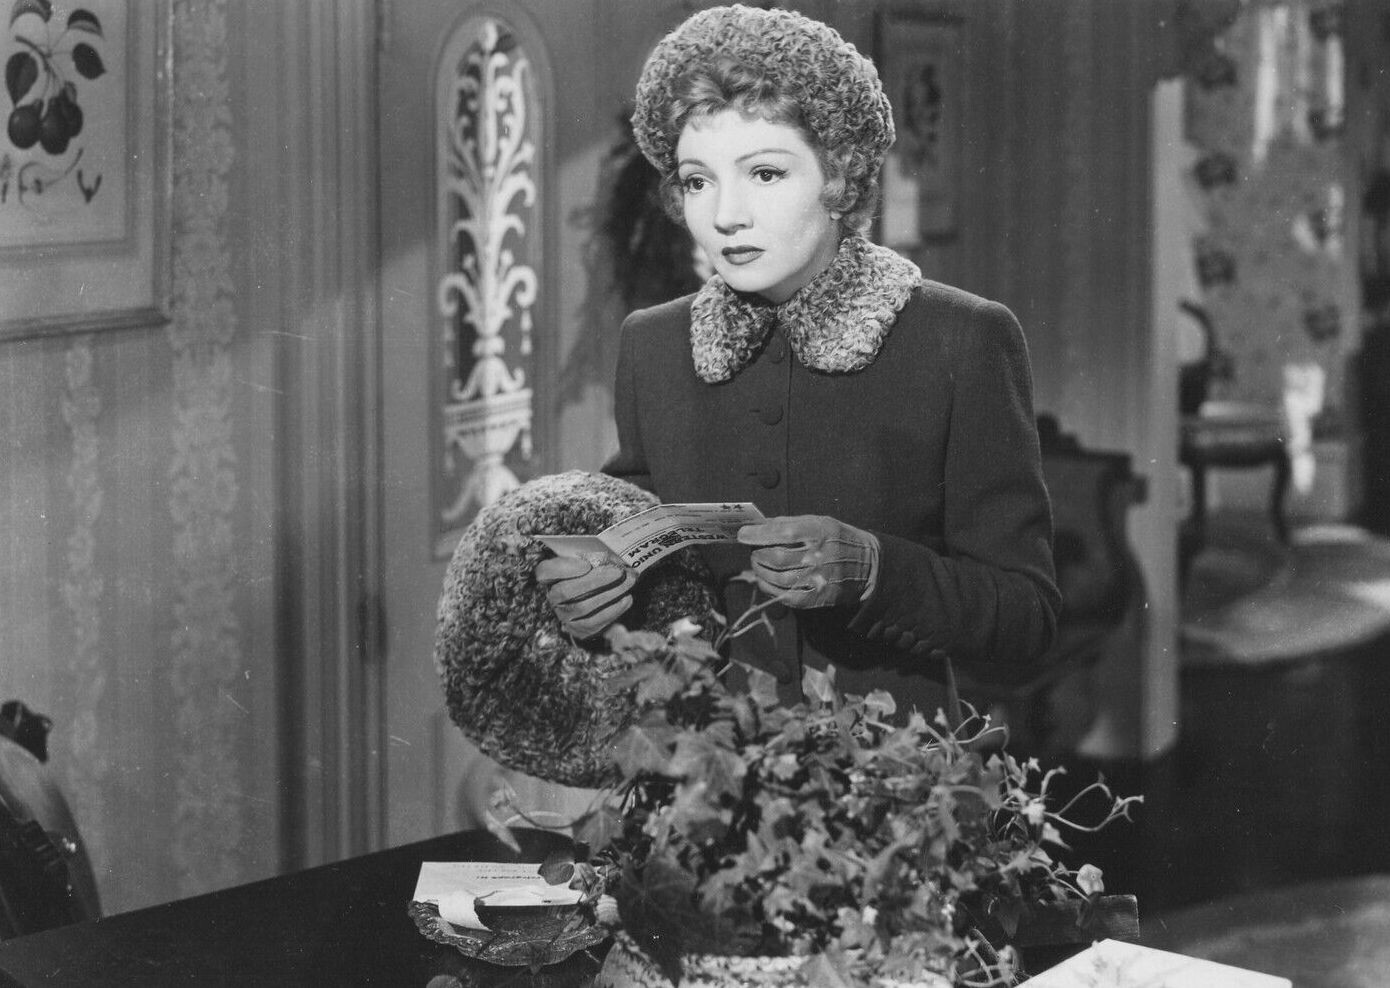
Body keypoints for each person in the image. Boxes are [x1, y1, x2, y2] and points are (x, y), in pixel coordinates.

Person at [538, 4, 1060, 716]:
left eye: (764, 173)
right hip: (696, 761)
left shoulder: (962, 338)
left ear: (840, 176)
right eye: (697, 181)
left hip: (888, 771)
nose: (726, 215)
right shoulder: (653, 345)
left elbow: (1028, 614)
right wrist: (591, 597)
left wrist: (876, 572)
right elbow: (646, 569)